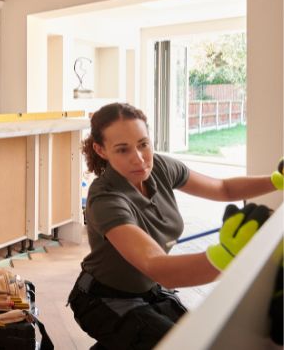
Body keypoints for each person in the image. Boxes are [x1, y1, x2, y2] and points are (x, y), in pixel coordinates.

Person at [68, 102, 281, 349]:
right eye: (122, 149)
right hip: (102, 299)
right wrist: (228, 255)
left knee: (193, 340)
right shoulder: (105, 198)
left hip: (148, 292)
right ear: (101, 150)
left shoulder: (160, 167)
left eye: (143, 144)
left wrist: (277, 180)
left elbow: (223, 188)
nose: (139, 159)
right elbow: (158, 267)